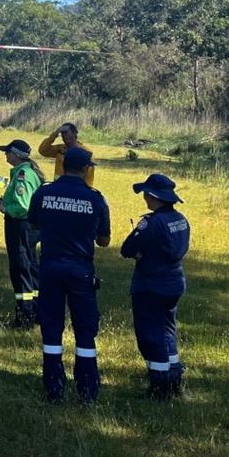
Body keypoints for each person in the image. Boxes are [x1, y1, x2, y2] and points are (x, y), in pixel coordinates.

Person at [28, 147, 111, 403]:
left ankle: (54, 387)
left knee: (51, 327)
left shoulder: (44, 193)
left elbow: (33, 224)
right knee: (85, 329)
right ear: (87, 169)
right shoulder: (95, 199)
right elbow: (104, 240)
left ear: (62, 166)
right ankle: (87, 389)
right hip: (80, 270)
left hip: (51, 267)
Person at [120, 174, 190, 399]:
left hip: (150, 285)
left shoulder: (151, 223)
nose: (144, 198)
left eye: (146, 194)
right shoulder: (180, 219)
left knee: (150, 334)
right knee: (168, 329)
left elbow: (127, 248)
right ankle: (174, 375)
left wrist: (141, 252)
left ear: (154, 197)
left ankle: (159, 386)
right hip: (174, 283)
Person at [0, 139, 45, 328]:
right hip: (29, 227)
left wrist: (4, 207)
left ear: (16, 155)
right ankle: (37, 311)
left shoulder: (23, 175)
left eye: (8, 152)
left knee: (21, 268)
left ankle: (25, 315)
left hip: (20, 226)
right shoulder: (26, 172)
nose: (5, 155)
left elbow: (22, 206)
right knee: (31, 267)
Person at [38, 122, 94, 187]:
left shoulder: (85, 151)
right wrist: (55, 133)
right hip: (59, 185)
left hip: (76, 187)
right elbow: (43, 150)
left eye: (66, 132)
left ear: (74, 133)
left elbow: (90, 174)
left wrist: (87, 190)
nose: (64, 136)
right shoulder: (60, 149)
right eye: (62, 133)